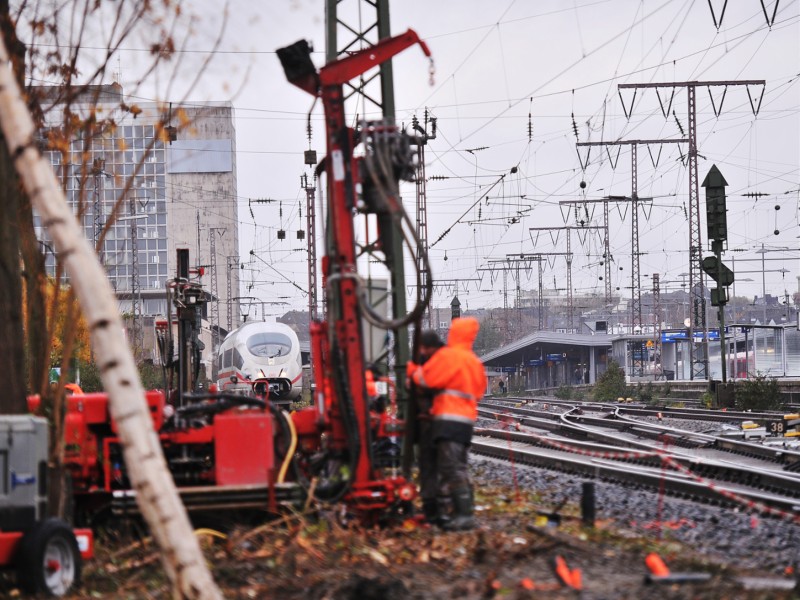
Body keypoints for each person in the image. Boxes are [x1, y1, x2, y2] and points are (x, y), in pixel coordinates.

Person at [408, 317, 486, 531]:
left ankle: (464, 515)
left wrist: (412, 371)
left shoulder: (448, 356)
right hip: (466, 421)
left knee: (451, 468)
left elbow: (427, 379)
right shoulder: (474, 361)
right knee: (459, 466)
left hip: (448, 419)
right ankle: (464, 510)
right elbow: (479, 391)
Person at [411, 330, 445, 525]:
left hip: (435, 421)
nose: (423, 352)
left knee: (435, 467)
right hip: (427, 422)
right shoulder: (429, 359)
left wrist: (414, 376)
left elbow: (430, 382)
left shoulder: (439, 361)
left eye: (425, 348)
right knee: (428, 467)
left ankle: (437, 509)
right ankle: (432, 507)